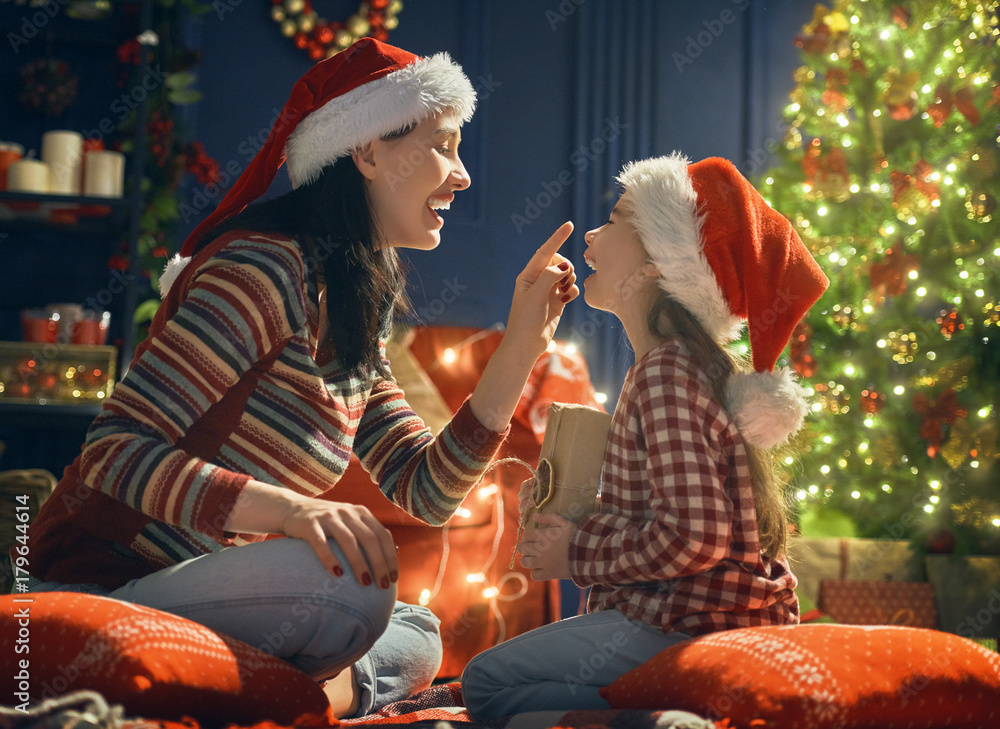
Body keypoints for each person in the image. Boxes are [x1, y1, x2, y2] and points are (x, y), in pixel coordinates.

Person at [22, 39, 579, 718]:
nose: (462, 175)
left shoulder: (351, 294)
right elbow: (114, 449)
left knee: (419, 630)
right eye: (443, 145)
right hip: (102, 581)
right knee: (344, 592)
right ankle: (290, 686)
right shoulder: (264, 270)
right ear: (368, 152)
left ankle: (267, 684)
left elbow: (426, 489)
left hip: (208, 596)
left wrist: (523, 343)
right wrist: (291, 510)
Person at [461, 152, 830, 719]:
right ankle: (656, 708)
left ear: (659, 260)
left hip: (689, 625)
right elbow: (673, 516)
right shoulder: (675, 367)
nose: (591, 233)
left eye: (613, 221)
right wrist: (574, 515)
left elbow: (696, 538)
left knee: (485, 682)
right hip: (690, 619)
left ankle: (660, 712)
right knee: (509, 696)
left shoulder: (665, 371)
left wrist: (577, 553)